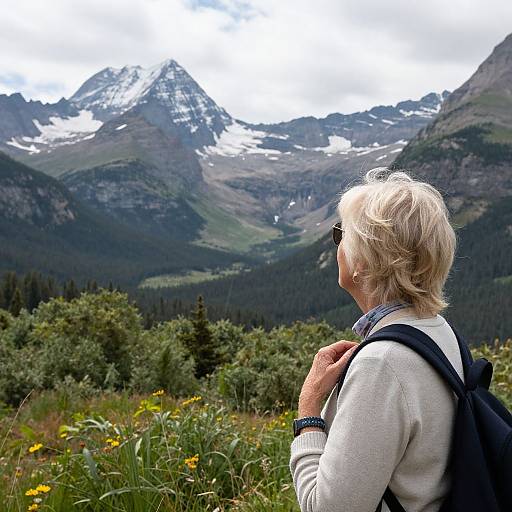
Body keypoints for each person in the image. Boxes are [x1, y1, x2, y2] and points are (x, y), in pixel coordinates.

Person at [289, 168, 462, 512]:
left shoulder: (380, 364)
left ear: (363, 261)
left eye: (341, 234)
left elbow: (328, 508)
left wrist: (309, 409)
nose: (337, 244)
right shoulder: (438, 330)